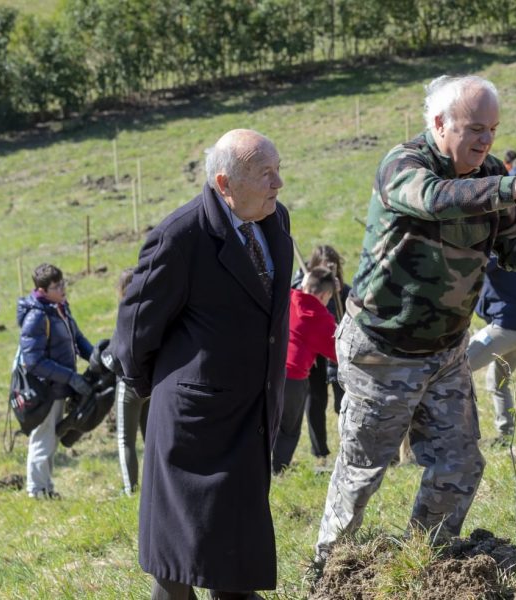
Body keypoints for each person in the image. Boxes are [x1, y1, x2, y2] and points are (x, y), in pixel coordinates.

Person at [314, 74, 516, 565]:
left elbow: (509, 244)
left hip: (445, 352)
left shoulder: (489, 171)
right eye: (475, 127)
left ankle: (423, 562)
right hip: (381, 351)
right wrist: (512, 185)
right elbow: (435, 199)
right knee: (364, 469)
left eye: (492, 129)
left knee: (458, 464)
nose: (485, 140)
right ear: (439, 123)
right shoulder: (404, 166)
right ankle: (329, 569)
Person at [111, 129, 291, 599]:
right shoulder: (181, 235)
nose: (278, 184)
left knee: (236, 562)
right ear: (224, 183)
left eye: (278, 170)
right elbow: (134, 330)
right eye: (265, 174)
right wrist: (172, 389)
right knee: (177, 570)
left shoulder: (275, 222)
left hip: (249, 417)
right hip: (193, 427)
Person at [466, 151, 516, 442]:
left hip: (509, 326)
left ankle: (463, 435)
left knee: (457, 371)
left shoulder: (497, 249)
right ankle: (505, 435)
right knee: (496, 382)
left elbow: (474, 266)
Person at [16, 263, 93, 499]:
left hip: (58, 387)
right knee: (43, 439)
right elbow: (34, 362)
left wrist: (95, 358)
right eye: (57, 286)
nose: (63, 288)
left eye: (62, 283)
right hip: (45, 390)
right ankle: (37, 491)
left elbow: (76, 338)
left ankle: (46, 488)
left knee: (51, 439)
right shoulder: (37, 316)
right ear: (42, 290)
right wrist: (71, 377)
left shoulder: (59, 307)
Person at [273, 267, 339, 473]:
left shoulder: (287, 297)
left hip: (267, 370)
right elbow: (339, 353)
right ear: (325, 295)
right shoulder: (319, 317)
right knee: (288, 429)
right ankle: (277, 470)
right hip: (293, 379)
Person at [293, 245, 350, 464]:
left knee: (342, 404)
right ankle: (320, 454)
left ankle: (348, 450)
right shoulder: (303, 282)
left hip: (335, 352)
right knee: (315, 402)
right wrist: (305, 284)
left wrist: (339, 291)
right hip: (312, 356)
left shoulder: (343, 291)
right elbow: (293, 299)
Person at [111, 267, 150, 496]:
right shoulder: (150, 308)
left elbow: (118, 351)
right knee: (151, 439)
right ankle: (155, 484)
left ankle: (130, 490)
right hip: (150, 383)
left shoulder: (124, 311)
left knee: (125, 440)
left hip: (128, 384)